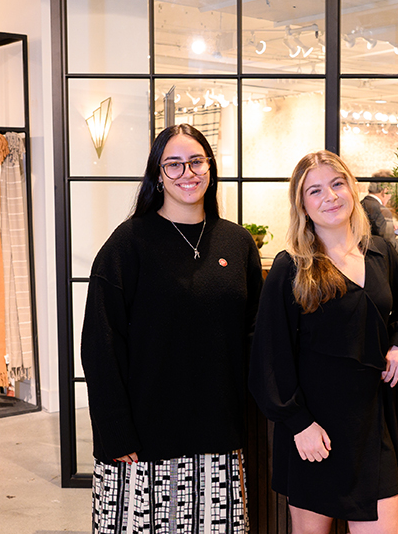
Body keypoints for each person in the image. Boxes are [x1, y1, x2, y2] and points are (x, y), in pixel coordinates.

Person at [81, 124, 263, 534]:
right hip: (144, 438)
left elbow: (255, 334)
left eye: (196, 161)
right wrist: (114, 429)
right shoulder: (128, 243)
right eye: (174, 164)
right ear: (158, 175)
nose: (187, 173)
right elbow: (100, 342)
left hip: (217, 430)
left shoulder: (236, 242)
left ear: (210, 168)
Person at [249, 151, 398, 534]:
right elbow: (268, 358)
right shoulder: (290, 267)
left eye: (336, 183)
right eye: (315, 190)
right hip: (316, 433)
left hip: (373, 429)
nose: (329, 196)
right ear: (303, 206)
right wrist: (299, 424)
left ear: (352, 188)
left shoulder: (382, 253)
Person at [361, 169, 398, 254]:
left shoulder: (360, 204)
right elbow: (391, 246)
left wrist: (391, 232)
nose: (390, 197)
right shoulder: (383, 211)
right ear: (385, 191)